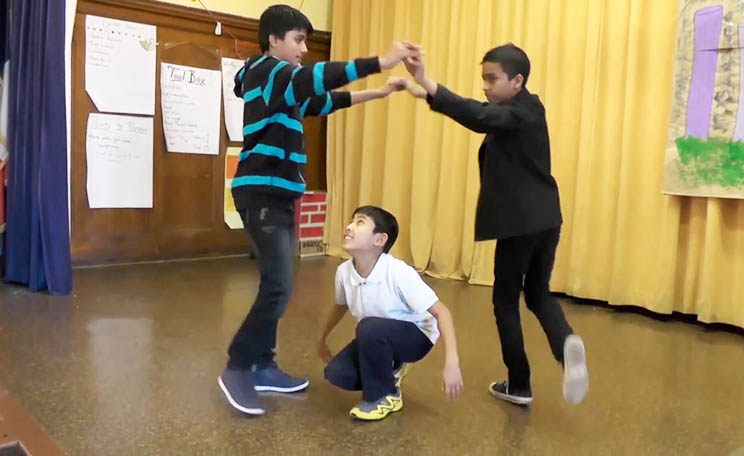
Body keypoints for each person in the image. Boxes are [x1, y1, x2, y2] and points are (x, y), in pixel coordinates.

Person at [218, 4, 422, 416]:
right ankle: (238, 366)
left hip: (277, 194)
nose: (304, 49)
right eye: (298, 39)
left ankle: (264, 365)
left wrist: (378, 92)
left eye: (306, 41)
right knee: (278, 286)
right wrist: (379, 62)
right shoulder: (268, 71)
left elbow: (324, 100)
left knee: (276, 283)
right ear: (274, 40)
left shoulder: (281, 87)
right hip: (262, 193)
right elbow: (316, 78)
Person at [403, 43, 588, 406]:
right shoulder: (529, 108)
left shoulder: (516, 114)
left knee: (505, 300)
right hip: (547, 218)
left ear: (517, 80)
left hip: (520, 223)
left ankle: (519, 384)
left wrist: (428, 83)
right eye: (483, 78)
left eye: (492, 78)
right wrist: (428, 91)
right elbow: (485, 113)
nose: (485, 86)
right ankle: (567, 348)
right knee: (537, 294)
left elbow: (479, 117)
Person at [318, 206, 463, 420]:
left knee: (368, 328)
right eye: (351, 221)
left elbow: (442, 312)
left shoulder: (398, 272)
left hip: (416, 336)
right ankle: (392, 366)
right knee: (337, 374)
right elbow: (341, 306)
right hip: (376, 335)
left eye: (360, 223)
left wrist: (452, 362)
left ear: (379, 240)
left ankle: (385, 395)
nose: (348, 227)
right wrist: (321, 338)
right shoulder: (344, 272)